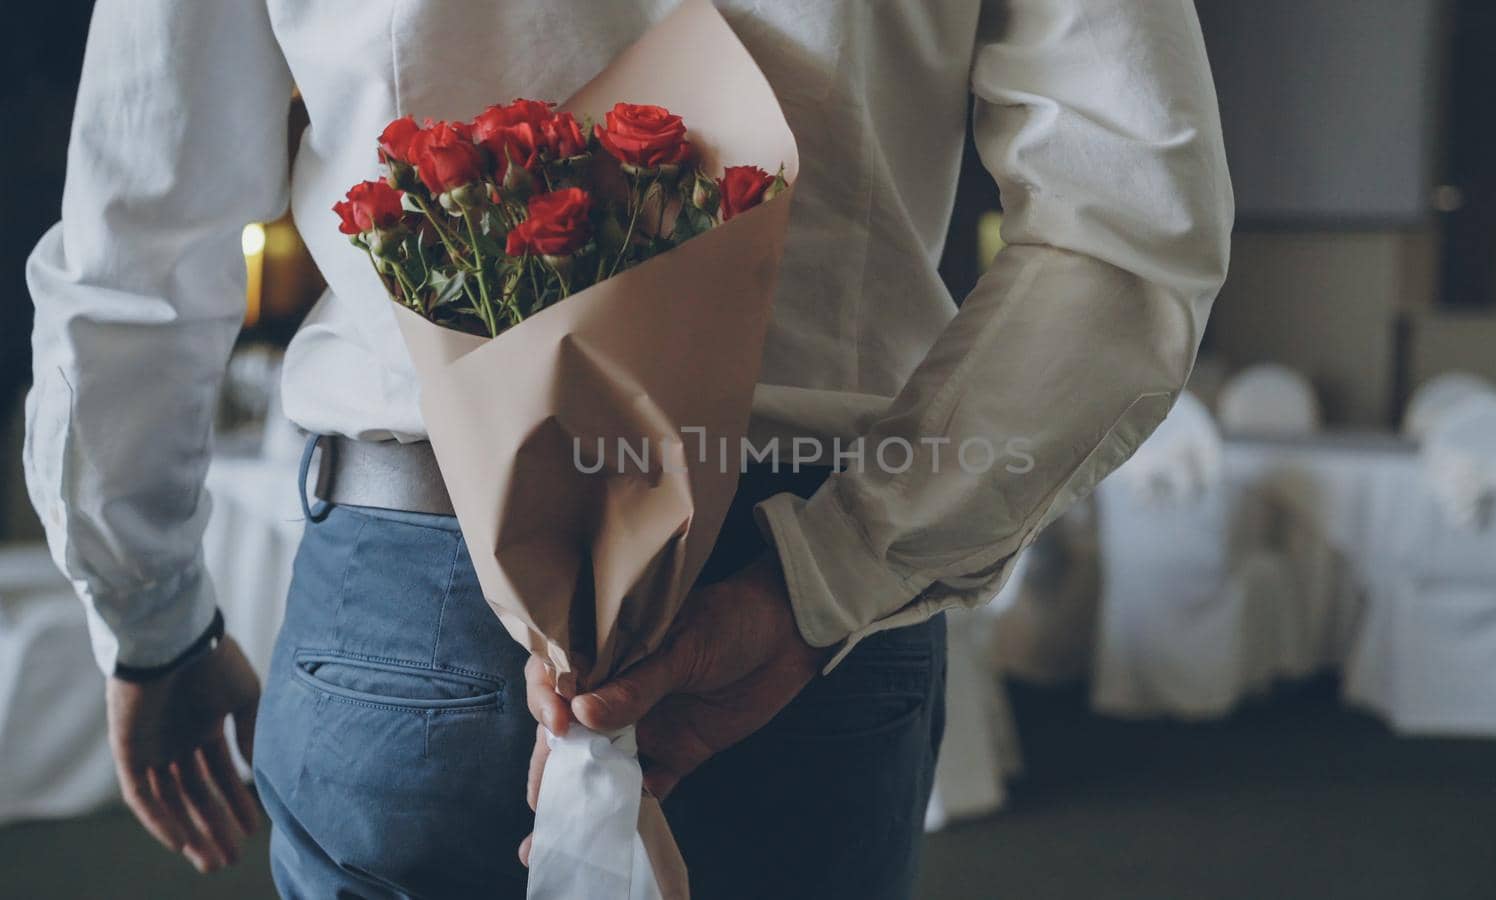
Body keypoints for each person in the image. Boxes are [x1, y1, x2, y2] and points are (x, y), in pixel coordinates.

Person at [24, 1, 1232, 897]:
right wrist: (837, 572)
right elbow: (1127, 226)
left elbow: (138, 243)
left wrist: (152, 625)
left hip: (414, 600)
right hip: (802, 605)